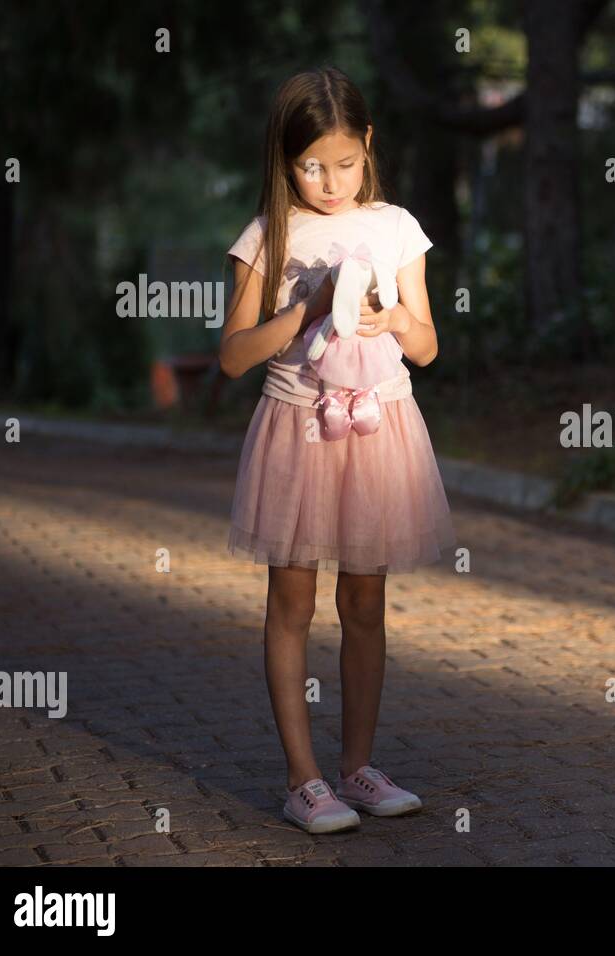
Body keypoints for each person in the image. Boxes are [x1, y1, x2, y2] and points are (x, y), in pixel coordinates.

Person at [219, 66, 457, 834]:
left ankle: (357, 768)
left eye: (345, 162)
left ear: (368, 147)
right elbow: (231, 355)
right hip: (299, 429)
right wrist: (303, 312)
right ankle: (303, 779)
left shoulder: (395, 227)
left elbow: (426, 347)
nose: (329, 181)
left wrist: (390, 322)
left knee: (364, 601)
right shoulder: (267, 233)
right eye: (310, 165)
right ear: (283, 160)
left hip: (379, 429)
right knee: (292, 601)